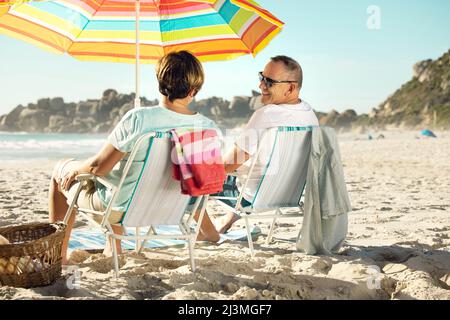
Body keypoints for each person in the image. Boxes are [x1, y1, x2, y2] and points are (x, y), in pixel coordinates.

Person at [49, 51, 221, 264]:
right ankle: (114, 249)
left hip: (120, 209)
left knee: (61, 172)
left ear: (161, 82)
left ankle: (58, 258)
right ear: (194, 90)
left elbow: (97, 168)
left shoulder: (139, 119)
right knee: (123, 178)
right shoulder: (207, 128)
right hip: (170, 210)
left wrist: (75, 170)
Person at [210, 55, 320, 236]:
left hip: (252, 199)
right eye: (261, 77)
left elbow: (228, 165)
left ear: (291, 87)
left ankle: (204, 232)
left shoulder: (266, 115)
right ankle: (225, 221)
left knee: (194, 175)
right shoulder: (309, 115)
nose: (261, 85)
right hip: (288, 194)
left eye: (269, 82)